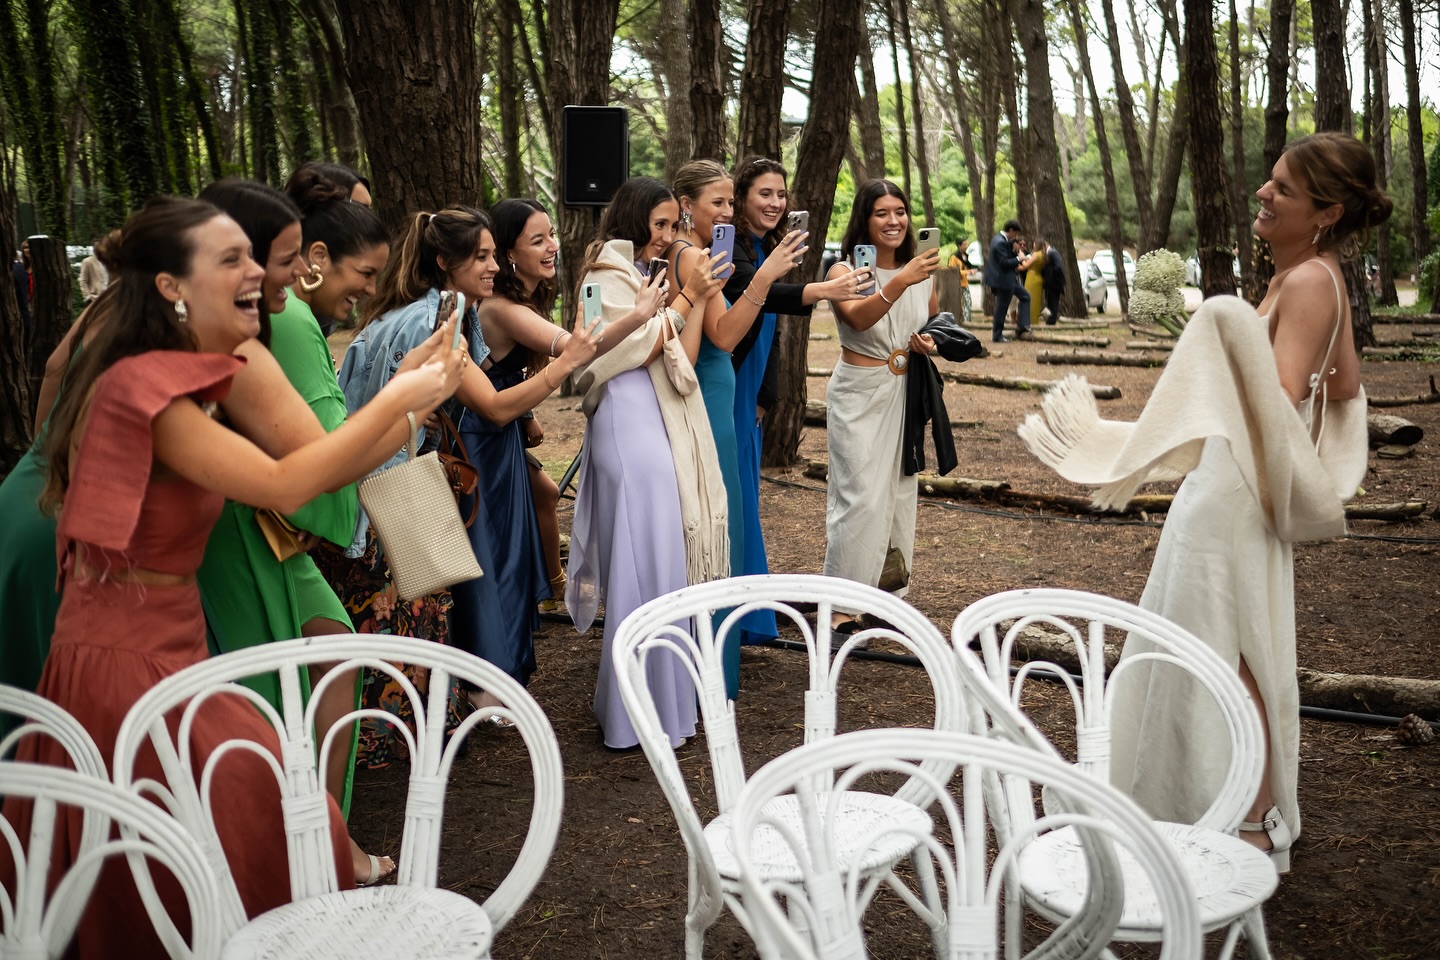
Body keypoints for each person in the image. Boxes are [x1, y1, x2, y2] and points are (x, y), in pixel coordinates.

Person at [0, 196, 462, 957]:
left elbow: (308, 462)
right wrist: (400, 400)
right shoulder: (146, 392)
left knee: (230, 826)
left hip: (162, 649)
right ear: (171, 288)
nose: (257, 271)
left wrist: (406, 404)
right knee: (258, 808)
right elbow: (286, 484)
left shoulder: (170, 372)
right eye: (233, 260)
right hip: (125, 666)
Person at [1101, 132, 1390, 872]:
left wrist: (1217, 352)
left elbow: (1283, 392)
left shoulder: (1308, 284)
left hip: (1235, 490)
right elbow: (1347, 387)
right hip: (1236, 480)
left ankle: (1254, 815)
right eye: (1269, 182)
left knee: (1231, 653)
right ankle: (1214, 800)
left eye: (1283, 189)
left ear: (1325, 211)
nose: (1263, 193)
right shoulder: (1318, 275)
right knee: (1222, 639)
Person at [192, 177, 387, 879]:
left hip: (238, 518)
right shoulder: (243, 343)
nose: (284, 275)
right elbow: (304, 470)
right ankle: (293, 853)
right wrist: (405, 399)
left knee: (331, 657)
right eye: (280, 258)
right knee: (261, 701)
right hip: (225, 533)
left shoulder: (224, 340)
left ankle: (318, 843)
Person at [346, 205, 601, 722]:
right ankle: (410, 719)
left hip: (390, 468)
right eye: (480, 257)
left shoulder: (435, 311)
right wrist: (566, 363)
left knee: (424, 601)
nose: (492, 266)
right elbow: (492, 404)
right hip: (388, 480)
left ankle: (421, 711)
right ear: (444, 261)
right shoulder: (436, 321)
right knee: (418, 599)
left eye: (491, 255)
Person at [568, 176, 728, 749]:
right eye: (658, 225)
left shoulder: (642, 274)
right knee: (635, 561)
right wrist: (684, 300)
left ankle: (666, 707)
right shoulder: (603, 274)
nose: (666, 236)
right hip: (621, 416)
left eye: (671, 226)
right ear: (633, 218)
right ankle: (627, 713)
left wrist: (691, 299)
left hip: (655, 416)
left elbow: (673, 346)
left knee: (664, 558)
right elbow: (611, 350)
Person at [664, 159, 803, 697]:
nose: (728, 213)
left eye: (728, 203)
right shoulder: (696, 257)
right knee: (716, 520)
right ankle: (707, 664)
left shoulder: (701, 255)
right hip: (709, 387)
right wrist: (767, 278)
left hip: (722, 386)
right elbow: (721, 335)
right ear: (685, 206)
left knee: (725, 518)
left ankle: (713, 658)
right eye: (719, 203)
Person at [722, 157, 872, 652]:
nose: (775, 203)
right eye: (764, 194)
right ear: (742, 198)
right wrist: (823, 290)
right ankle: (732, 614)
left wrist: (768, 394)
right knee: (735, 499)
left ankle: (748, 613)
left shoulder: (766, 246)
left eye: (780, 195)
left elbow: (770, 328)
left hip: (752, 389)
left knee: (747, 496)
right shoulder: (734, 252)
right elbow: (757, 295)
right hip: (728, 383)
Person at [821, 179, 939, 634]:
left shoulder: (921, 272)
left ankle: (884, 597)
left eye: (900, 212)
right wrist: (899, 282)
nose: (893, 221)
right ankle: (841, 604)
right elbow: (858, 316)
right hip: (859, 392)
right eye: (881, 213)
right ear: (864, 221)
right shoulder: (841, 271)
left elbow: (929, 322)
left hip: (903, 392)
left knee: (898, 496)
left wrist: (930, 341)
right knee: (860, 498)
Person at [984, 219, 1029, 342]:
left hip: (1009, 280)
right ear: (1010, 230)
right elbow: (1004, 262)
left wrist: (1013, 249)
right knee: (1002, 307)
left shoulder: (1001, 240)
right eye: (1015, 233)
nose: (1016, 236)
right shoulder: (999, 242)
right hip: (1003, 281)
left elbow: (1006, 255)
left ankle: (1022, 326)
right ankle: (997, 335)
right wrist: (1019, 258)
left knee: (1025, 297)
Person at [1040, 239, 1067, 324]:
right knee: (1050, 301)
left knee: (1053, 302)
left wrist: (1050, 275)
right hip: (1051, 283)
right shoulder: (1050, 253)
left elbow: (1058, 266)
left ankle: (1051, 321)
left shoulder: (1052, 252)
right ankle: (1050, 319)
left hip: (1054, 282)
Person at [1021, 238, 1046, 324]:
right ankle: (1035, 320)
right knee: (1036, 301)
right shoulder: (1043, 255)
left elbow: (1025, 266)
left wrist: (1022, 259)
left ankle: (1029, 320)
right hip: (1038, 277)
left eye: (1034, 243)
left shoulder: (1035, 254)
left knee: (1030, 300)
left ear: (1036, 244)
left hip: (1032, 277)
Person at [78, 238, 109, 304]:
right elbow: (83, 280)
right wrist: (87, 297)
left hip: (108, 297)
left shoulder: (108, 261)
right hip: (95, 298)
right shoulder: (88, 261)